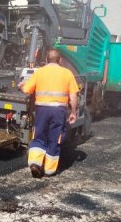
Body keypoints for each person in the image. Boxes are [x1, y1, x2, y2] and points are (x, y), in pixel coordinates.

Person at [19, 49, 80, 178]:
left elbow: (26, 90)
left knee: (39, 136)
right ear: (60, 60)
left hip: (42, 110)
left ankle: (35, 163)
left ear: (46, 59)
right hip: (59, 111)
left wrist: (21, 85)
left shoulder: (39, 72)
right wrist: (73, 112)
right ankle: (49, 170)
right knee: (55, 139)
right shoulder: (67, 73)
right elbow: (73, 96)